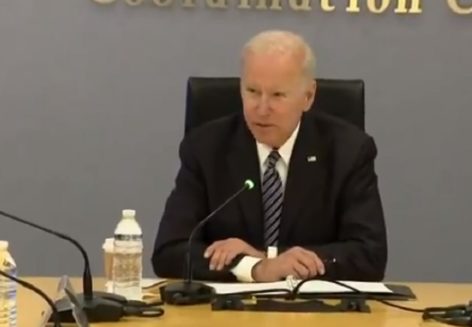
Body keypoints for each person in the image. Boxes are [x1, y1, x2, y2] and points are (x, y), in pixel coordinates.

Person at [151, 30, 387, 283]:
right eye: (252, 91)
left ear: (308, 96)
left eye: (277, 95)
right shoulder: (206, 148)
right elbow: (170, 251)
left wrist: (270, 258)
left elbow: (369, 256)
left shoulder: (348, 151)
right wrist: (254, 268)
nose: (262, 109)